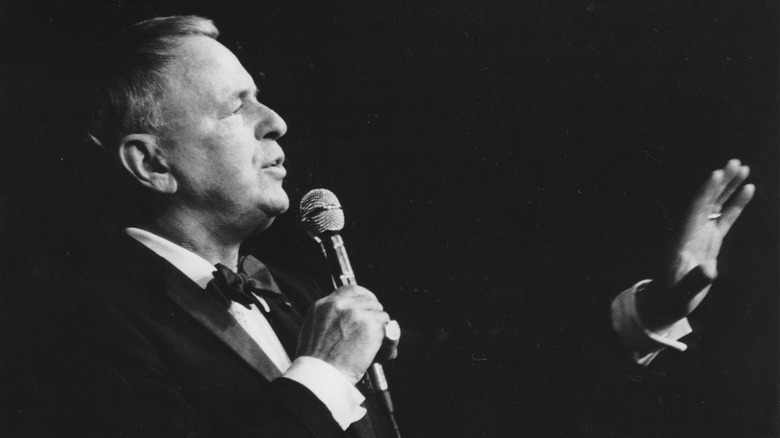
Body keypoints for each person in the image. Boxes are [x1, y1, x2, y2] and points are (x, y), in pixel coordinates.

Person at [41, 14, 753, 438]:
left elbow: (485, 392)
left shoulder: (291, 294)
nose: (276, 121)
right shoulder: (73, 318)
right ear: (152, 164)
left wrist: (654, 309)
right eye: (237, 107)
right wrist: (322, 373)